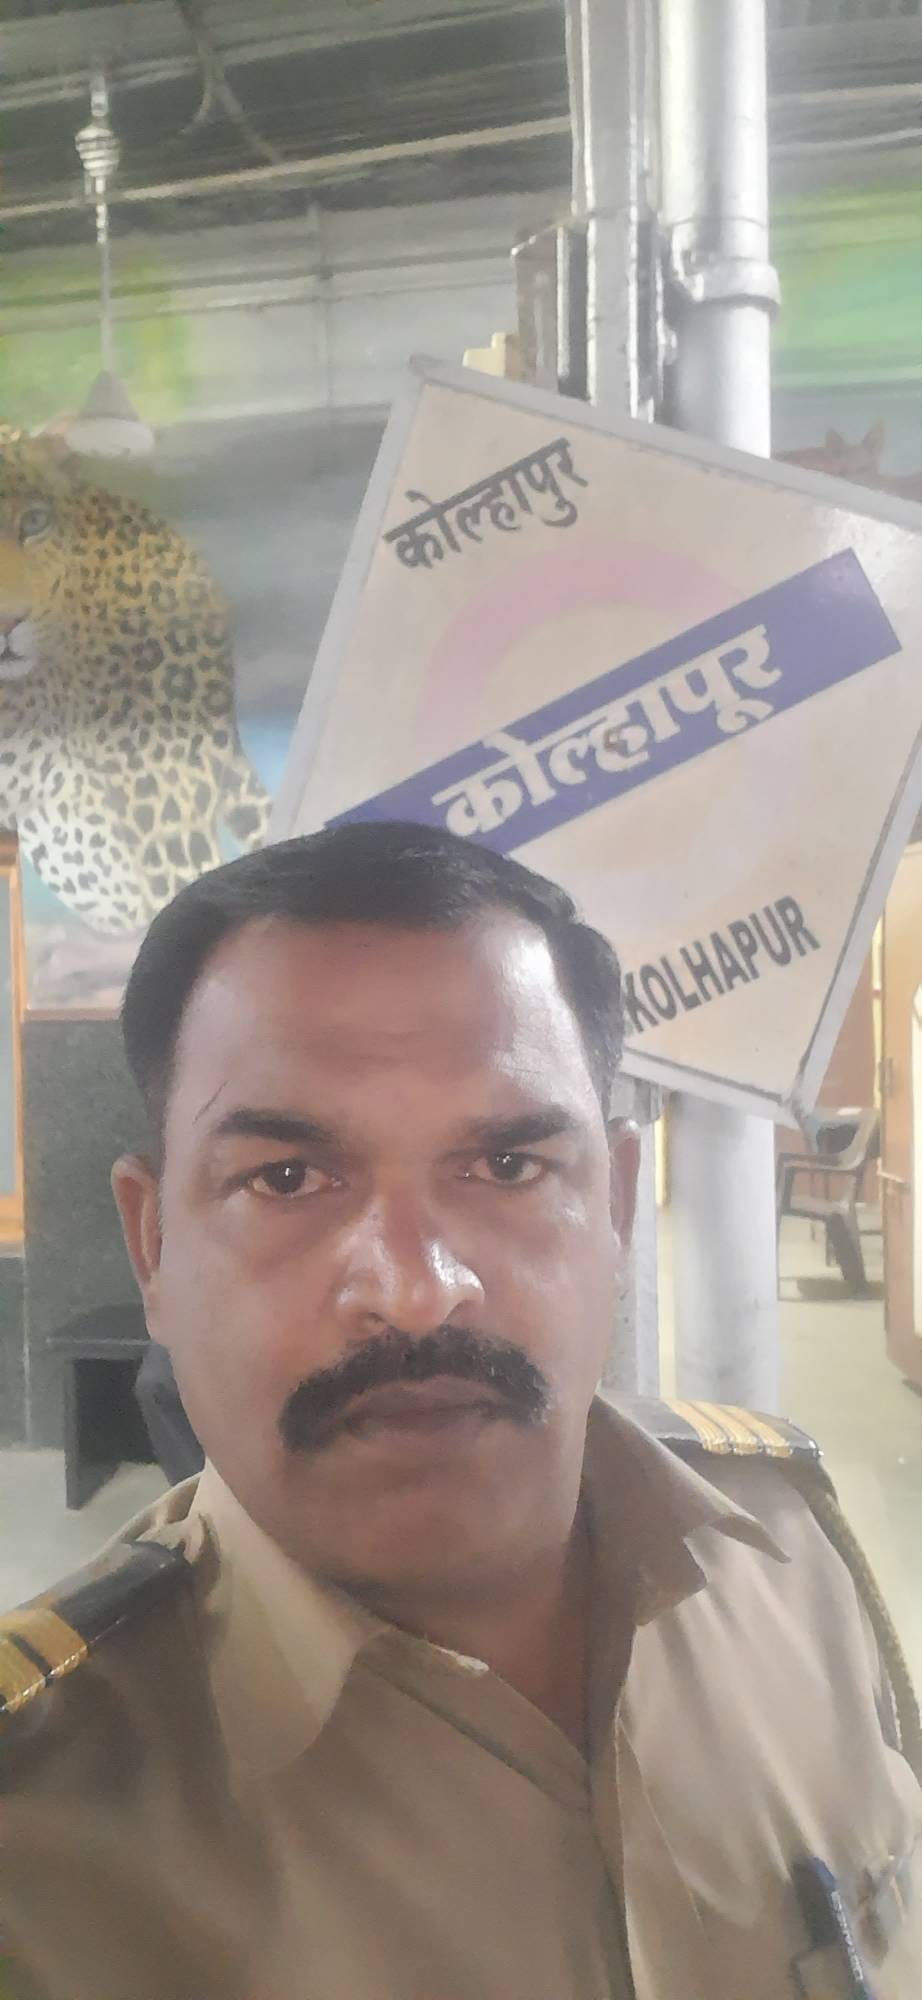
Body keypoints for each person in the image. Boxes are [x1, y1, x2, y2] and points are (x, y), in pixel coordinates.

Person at [1, 821, 919, 2000]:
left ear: (616, 1209)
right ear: (153, 1245)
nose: (418, 1286)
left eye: (508, 1167)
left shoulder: (791, 1556)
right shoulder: (40, 1840)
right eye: (286, 1177)